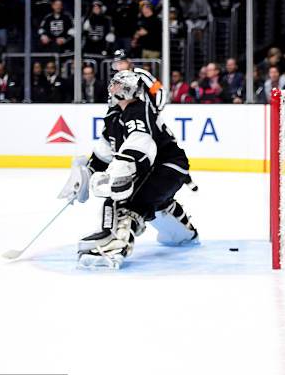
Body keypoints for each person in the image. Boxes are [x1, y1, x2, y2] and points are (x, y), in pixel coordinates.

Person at [58, 71, 198, 269]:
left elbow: (141, 142)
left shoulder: (138, 110)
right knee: (151, 200)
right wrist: (85, 176)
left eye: (116, 83)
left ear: (126, 90)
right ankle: (183, 232)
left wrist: (122, 167)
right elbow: (104, 153)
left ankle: (115, 246)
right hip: (157, 167)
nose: (111, 86)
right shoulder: (114, 115)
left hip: (167, 166)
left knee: (124, 201)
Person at [112, 49, 167, 113]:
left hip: (143, 113)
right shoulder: (117, 78)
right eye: (117, 64)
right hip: (126, 115)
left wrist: (157, 110)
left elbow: (159, 90)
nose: (119, 67)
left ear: (128, 61)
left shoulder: (140, 74)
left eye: (121, 63)